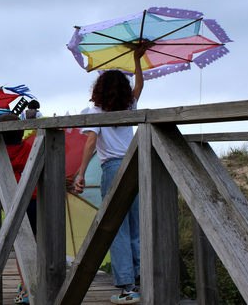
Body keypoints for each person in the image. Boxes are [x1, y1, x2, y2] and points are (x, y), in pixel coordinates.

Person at [74, 42, 148, 305]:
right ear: (124, 90)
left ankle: (128, 288)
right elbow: (139, 88)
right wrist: (138, 60)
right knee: (137, 225)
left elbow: (92, 142)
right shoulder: (130, 107)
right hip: (135, 166)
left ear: (99, 90)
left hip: (113, 168)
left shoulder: (96, 111)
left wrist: (81, 174)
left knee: (117, 229)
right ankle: (142, 281)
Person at [0, 113, 36, 304]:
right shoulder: (29, 147)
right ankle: (31, 285)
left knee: (22, 246)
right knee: (36, 242)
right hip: (33, 197)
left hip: (11, 199)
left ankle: (28, 289)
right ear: (21, 132)